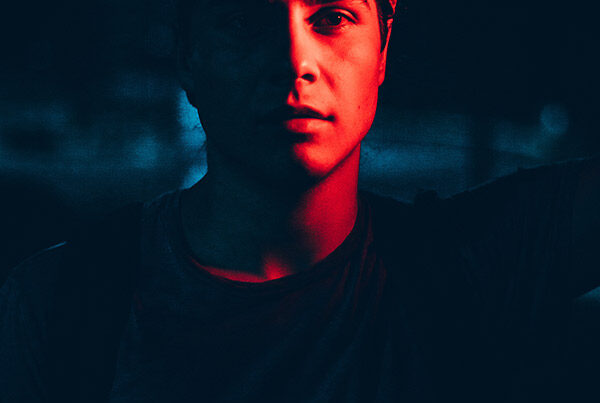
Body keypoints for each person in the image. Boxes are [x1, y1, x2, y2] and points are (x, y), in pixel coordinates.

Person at [1, 0, 599, 402]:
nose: (295, 62)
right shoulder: (59, 306)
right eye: (244, 21)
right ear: (188, 57)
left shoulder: (471, 266)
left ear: (383, 45)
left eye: (332, 18)